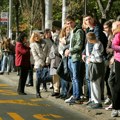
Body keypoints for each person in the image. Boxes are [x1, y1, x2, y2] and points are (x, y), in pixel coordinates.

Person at [64, 16, 84, 104]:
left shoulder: (78, 31)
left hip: (76, 57)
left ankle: (77, 96)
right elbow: (71, 44)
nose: (69, 25)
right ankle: (75, 95)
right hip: (70, 57)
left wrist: (70, 50)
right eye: (67, 23)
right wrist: (66, 50)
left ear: (74, 22)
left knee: (76, 77)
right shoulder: (71, 32)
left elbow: (79, 45)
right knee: (73, 78)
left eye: (71, 22)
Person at [86, 32, 105, 109]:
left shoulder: (97, 45)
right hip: (95, 66)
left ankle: (97, 102)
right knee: (93, 84)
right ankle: (94, 100)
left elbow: (99, 59)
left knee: (95, 84)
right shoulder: (97, 44)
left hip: (97, 67)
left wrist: (91, 59)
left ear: (89, 40)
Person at [30, 32, 50, 98]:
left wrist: (47, 60)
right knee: (38, 78)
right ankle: (37, 92)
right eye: (35, 36)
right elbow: (35, 55)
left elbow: (48, 52)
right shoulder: (33, 45)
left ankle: (45, 87)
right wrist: (41, 62)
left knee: (45, 76)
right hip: (38, 63)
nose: (37, 37)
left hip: (46, 62)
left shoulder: (45, 42)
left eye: (37, 36)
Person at [111, 21, 120, 117]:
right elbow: (114, 46)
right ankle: (115, 107)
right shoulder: (118, 34)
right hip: (119, 60)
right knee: (118, 84)